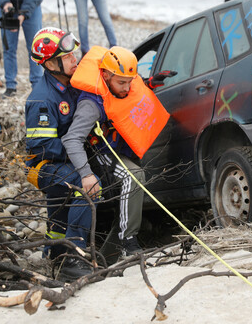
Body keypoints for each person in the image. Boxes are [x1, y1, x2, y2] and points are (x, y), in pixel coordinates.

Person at [62, 46, 174, 260]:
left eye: (129, 82)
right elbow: (72, 139)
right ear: (105, 75)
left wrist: (150, 84)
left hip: (117, 150)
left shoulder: (125, 84)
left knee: (136, 174)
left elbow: (130, 97)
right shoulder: (91, 104)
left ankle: (124, 239)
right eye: (121, 83)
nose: (126, 88)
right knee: (133, 176)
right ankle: (128, 243)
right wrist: (86, 174)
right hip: (98, 153)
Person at [25, 27, 96, 281]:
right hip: (42, 166)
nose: (74, 60)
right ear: (51, 64)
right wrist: (77, 152)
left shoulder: (71, 86)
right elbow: (40, 146)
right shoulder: (41, 99)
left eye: (73, 54)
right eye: (67, 57)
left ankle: (54, 254)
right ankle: (73, 257)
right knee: (83, 184)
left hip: (63, 161)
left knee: (59, 210)